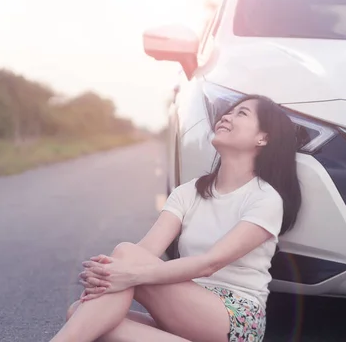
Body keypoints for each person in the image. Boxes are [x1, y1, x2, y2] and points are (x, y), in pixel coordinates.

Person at [49, 95, 302, 342]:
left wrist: (127, 275)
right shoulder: (188, 192)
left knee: (100, 302)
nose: (225, 116)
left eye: (241, 113)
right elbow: (145, 252)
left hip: (234, 318)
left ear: (263, 138)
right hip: (185, 307)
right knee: (82, 315)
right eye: (228, 111)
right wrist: (110, 272)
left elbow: (209, 263)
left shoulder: (265, 199)